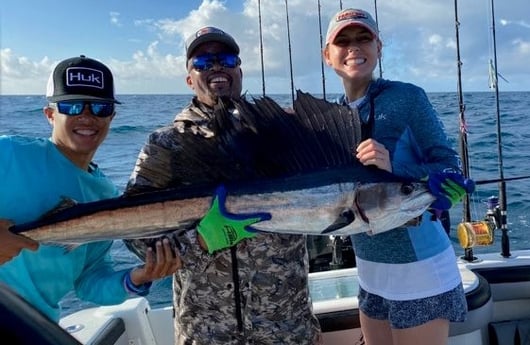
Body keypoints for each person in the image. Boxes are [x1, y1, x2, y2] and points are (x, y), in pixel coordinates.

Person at [124, 27, 322, 344]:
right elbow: (135, 237)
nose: (216, 66)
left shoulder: (284, 132)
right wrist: (200, 239)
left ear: (240, 71)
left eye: (226, 59)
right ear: (189, 78)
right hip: (204, 333)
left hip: (288, 328)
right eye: (203, 62)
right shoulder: (166, 143)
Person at [322, 8, 472, 345]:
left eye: (364, 38)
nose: (353, 47)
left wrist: (397, 170)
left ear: (379, 47)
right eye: (342, 41)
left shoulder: (407, 98)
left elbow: (450, 167)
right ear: (327, 54)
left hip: (419, 270)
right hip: (370, 269)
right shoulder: (331, 116)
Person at [0, 55, 181, 322]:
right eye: (72, 106)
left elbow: (89, 282)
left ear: (112, 117)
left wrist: (139, 276)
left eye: (100, 107)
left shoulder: (105, 193)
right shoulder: (9, 152)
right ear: (50, 114)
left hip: (37, 325)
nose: (87, 117)